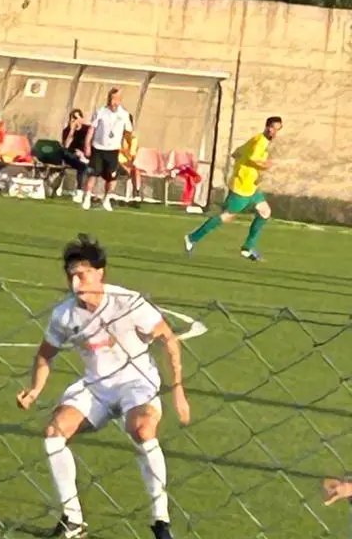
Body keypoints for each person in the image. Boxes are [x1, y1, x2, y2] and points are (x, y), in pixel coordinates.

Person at [16, 234, 190, 539]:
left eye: (82, 274)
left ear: (100, 272)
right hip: (95, 385)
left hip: (136, 380)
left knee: (142, 430)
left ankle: (161, 522)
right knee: (53, 434)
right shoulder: (64, 314)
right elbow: (45, 353)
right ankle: (72, 519)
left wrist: (178, 390)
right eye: (71, 276)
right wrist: (35, 390)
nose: (76, 282)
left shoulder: (128, 301)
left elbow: (168, 339)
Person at [184, 116, 282, 262]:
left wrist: (248, 170)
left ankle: (247, 248)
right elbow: (253, 159)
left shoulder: (256, 140)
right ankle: (192, 238)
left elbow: (236, 153)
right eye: (272, 128)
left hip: (251, 187)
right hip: (241, 188)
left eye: (277, 129)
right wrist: (264, 166)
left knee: (265, 211)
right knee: (226, 216)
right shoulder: (260, 142)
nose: (274, 131)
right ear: (267, 126)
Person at [81, 87, 133, 211]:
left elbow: (128, 132)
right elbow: (92, 128)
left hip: (113, 150)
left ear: (120, 100)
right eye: (111, 99)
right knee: (93, 173)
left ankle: (107, 199)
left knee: (111, 177)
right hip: (98, 148)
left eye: (116, 99)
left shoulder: (124, 114)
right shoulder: (100, 111)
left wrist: (126, 149)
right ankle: (87, 198)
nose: (113, 102)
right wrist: (87, 145)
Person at [60, 109, 91, 202]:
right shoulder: (67, 130)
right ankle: (79, 191)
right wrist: (71, 131)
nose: (74, 120)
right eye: (72, 118)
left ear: (81, 119)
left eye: (76, 118)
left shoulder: (87, 129)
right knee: (81, 165)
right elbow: (66, 146)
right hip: (71, 156)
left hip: (85, 156)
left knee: (84, 165)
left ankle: (87, 192)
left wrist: (84, 154)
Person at [119, 122, 144, 208]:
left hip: (126, 163)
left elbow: (132, 155)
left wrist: (129, 164)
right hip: (115, 162)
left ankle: (136, 193)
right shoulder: (114, 137)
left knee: (135, 169)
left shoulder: (133, 140)